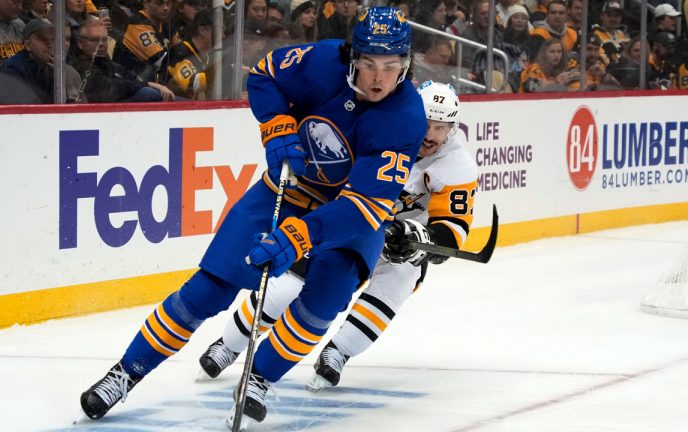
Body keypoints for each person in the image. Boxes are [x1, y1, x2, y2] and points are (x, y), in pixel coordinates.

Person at [79, 6, 427, 428]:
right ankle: (125, 372)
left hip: (347, 214)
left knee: (326, 298)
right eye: (369, 64)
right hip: (288, 189)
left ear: (404, 66)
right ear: (352, 57)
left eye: (391, 67)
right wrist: (277, 127)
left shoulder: (406, 117)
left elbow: (366, 206)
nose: (378, 78)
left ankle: (259, 378)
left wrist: (301, 236)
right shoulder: (322, 61)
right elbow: (264, 74)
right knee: (208, 290)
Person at [196, 80, 478, 393]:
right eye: (426, 124)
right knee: (289, 284)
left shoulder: (456, 164)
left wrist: (420, 237)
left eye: (441, 128)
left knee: (397, 280)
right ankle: (232, 343)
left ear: (452, 129)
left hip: (401, 241)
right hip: (354, 223)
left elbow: (452, 230)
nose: (430, 136)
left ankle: (339, 352)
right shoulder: (376, 130)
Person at [0, 18, 85, 103]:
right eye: (46, 40)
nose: (53, 45)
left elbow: (67, 107)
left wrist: (60, 73)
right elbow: (27, 111)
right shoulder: (12, 70)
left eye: (55, 40)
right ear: (27, 45)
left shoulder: (49, 67)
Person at [71, 19, 176, 102]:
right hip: (107, 116)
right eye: (94, 40)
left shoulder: (108, 64)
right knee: (148, 94)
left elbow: (132, 79)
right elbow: (113, 88)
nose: (101, 44)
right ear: (80, 43)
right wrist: (149, 86)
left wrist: (157, 85)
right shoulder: (82, 68)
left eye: (104, 39)